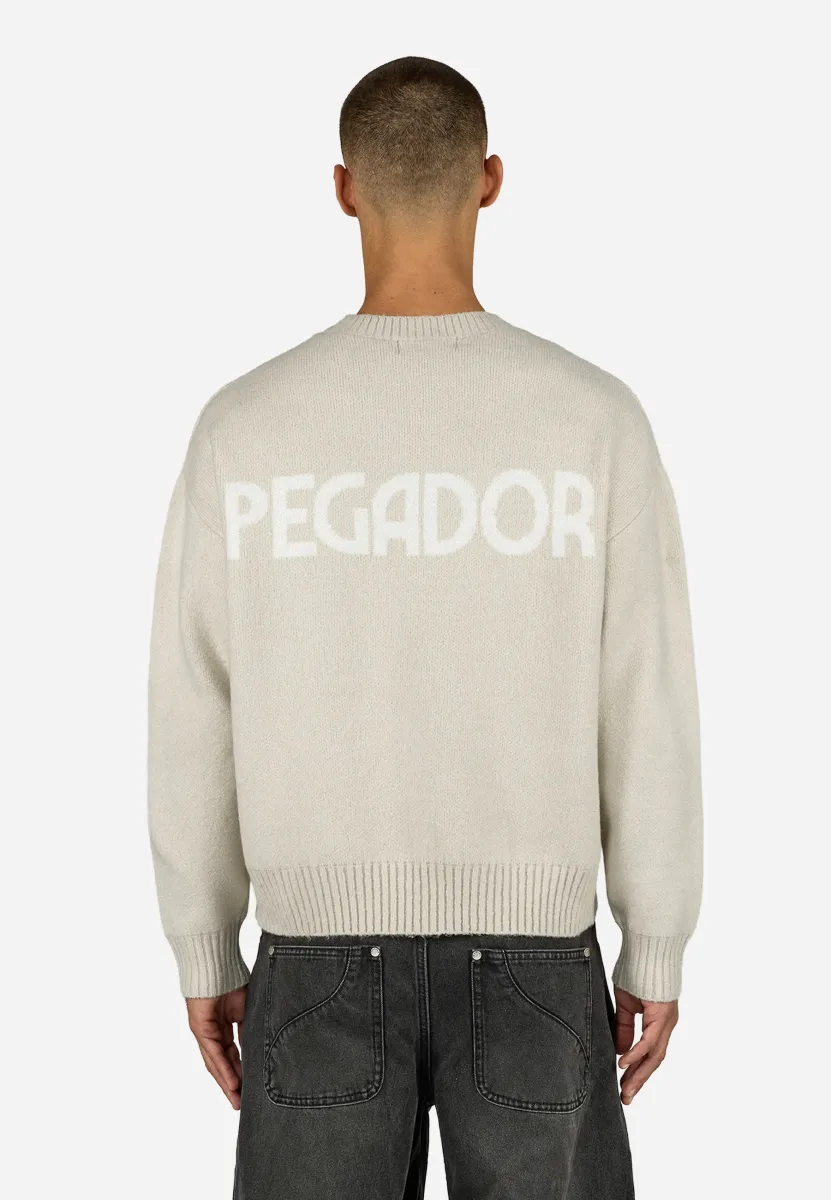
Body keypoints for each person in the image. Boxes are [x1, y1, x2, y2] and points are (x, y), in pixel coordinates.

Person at [148, 56, 701, 1200]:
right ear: (489, 180)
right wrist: (654, 939)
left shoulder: (245, 428)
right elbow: (646, 694)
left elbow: (192, 702)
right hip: (541, 958)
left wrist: (204, 941)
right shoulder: (593, 420)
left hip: (312, 957)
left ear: (343, 188)